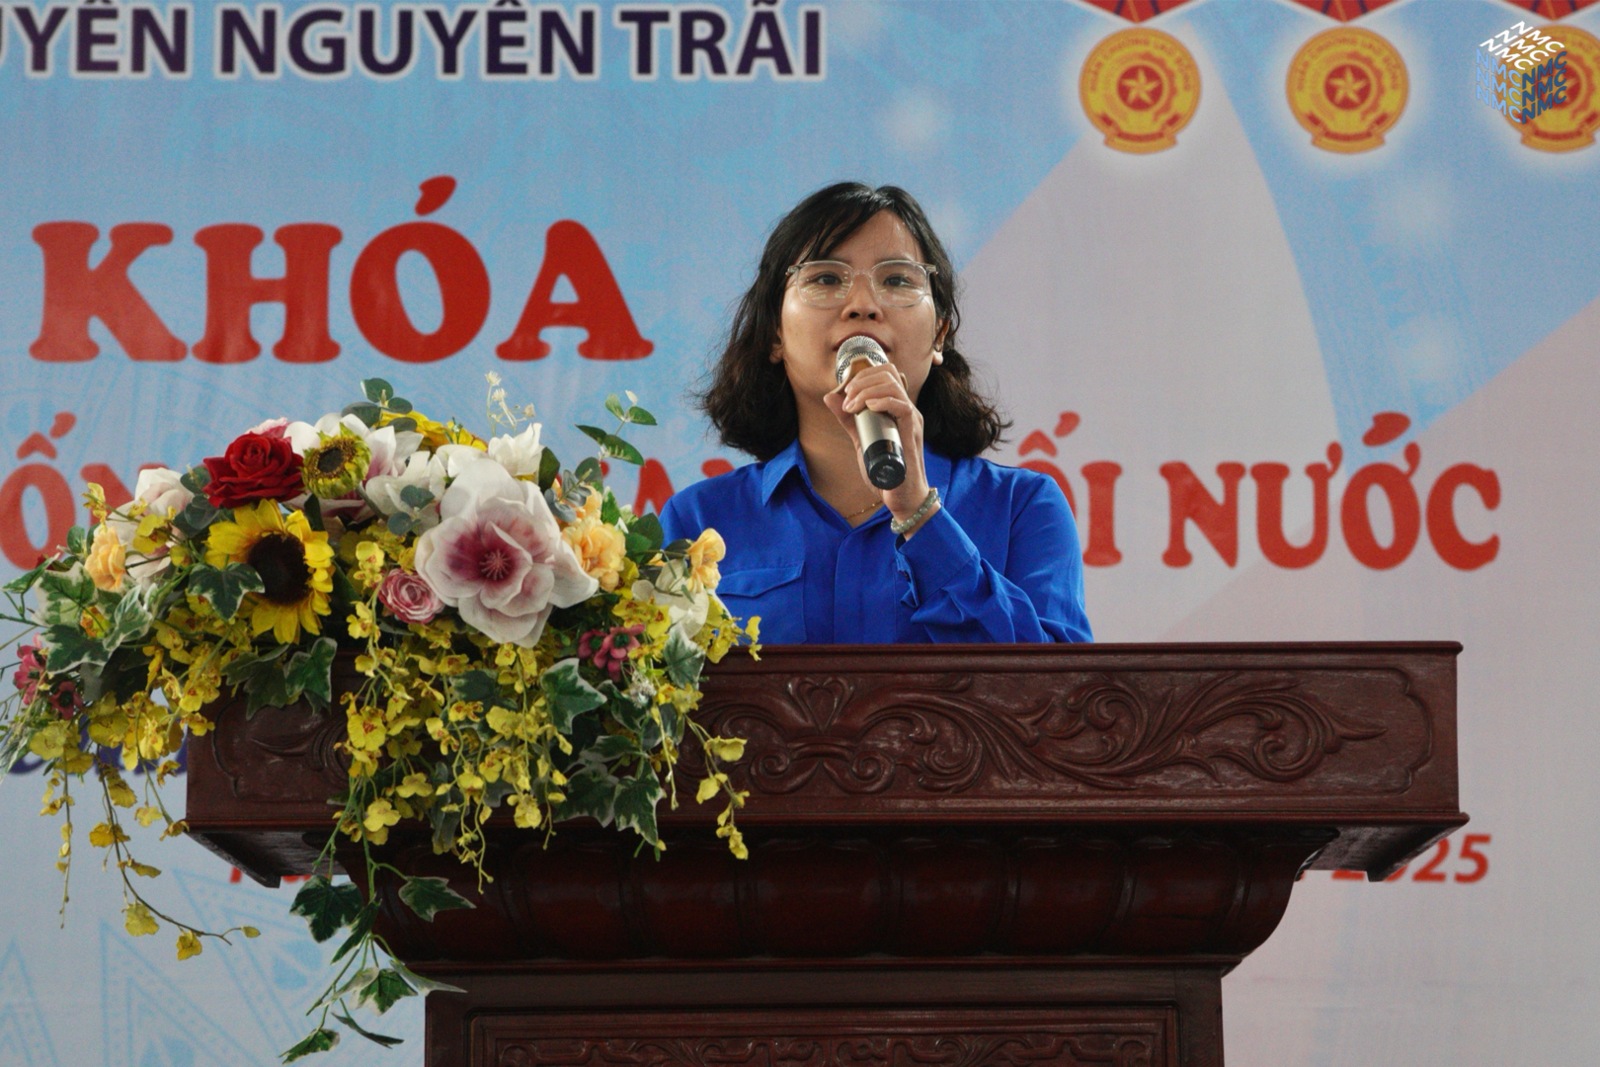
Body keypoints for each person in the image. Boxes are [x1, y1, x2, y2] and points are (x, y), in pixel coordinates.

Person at [661, 182, 1091, 644]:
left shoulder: (1023, 508)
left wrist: (920, 515)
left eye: (897, 280)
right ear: (774, 335)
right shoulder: (698, 521)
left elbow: (1057, 685)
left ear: (940, 335)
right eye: (826, 279)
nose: (863, 306)